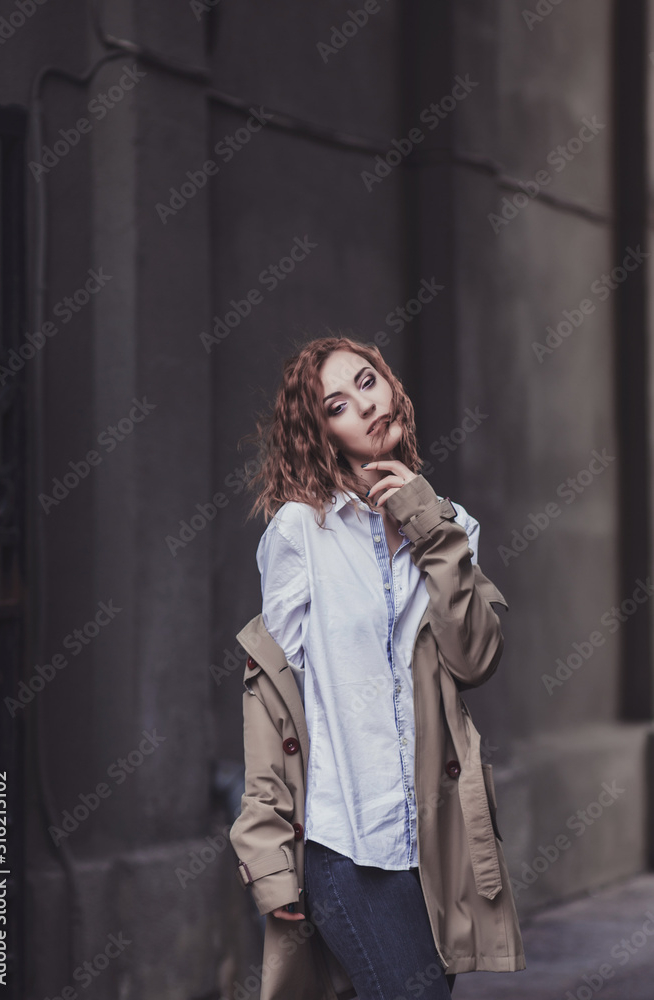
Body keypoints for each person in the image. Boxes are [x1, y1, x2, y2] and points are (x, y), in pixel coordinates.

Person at [230, 334, 526, 1000]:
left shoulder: (451, 527)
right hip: (344, 845)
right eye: (337, 403)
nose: (364, 406)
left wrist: (426, 521)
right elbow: (272, 699)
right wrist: (267, 852)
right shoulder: (299, 533)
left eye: (368, 382)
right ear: (319, 432)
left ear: (392, 387)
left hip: (433, 851)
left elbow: (473, 656)